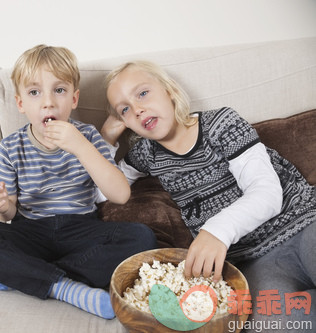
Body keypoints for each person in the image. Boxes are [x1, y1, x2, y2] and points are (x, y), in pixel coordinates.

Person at [101, 60, 315, 328]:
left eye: (142, 93)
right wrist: (106, 139)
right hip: (254, 262)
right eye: (125, 110)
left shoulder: (221, 123)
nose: (137, 109)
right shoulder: (146, 154)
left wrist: (216, 231)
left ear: (169, 91)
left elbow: (267, 192)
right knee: (278, 323)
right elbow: (103, 191)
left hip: (304, 223)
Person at [0, 46, 157, 319]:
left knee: (143, 238)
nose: (47, 102)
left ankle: (22, 274)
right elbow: (7, 215)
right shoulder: (11, 147)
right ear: (21, 103)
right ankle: (64, 288)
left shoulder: (87, 136)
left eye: (58, 90)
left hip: (81, 229)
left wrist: (81, 147)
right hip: (30, 231)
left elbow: (120, 195)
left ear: (74, 99)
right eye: (35, 92)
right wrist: (2, 206)